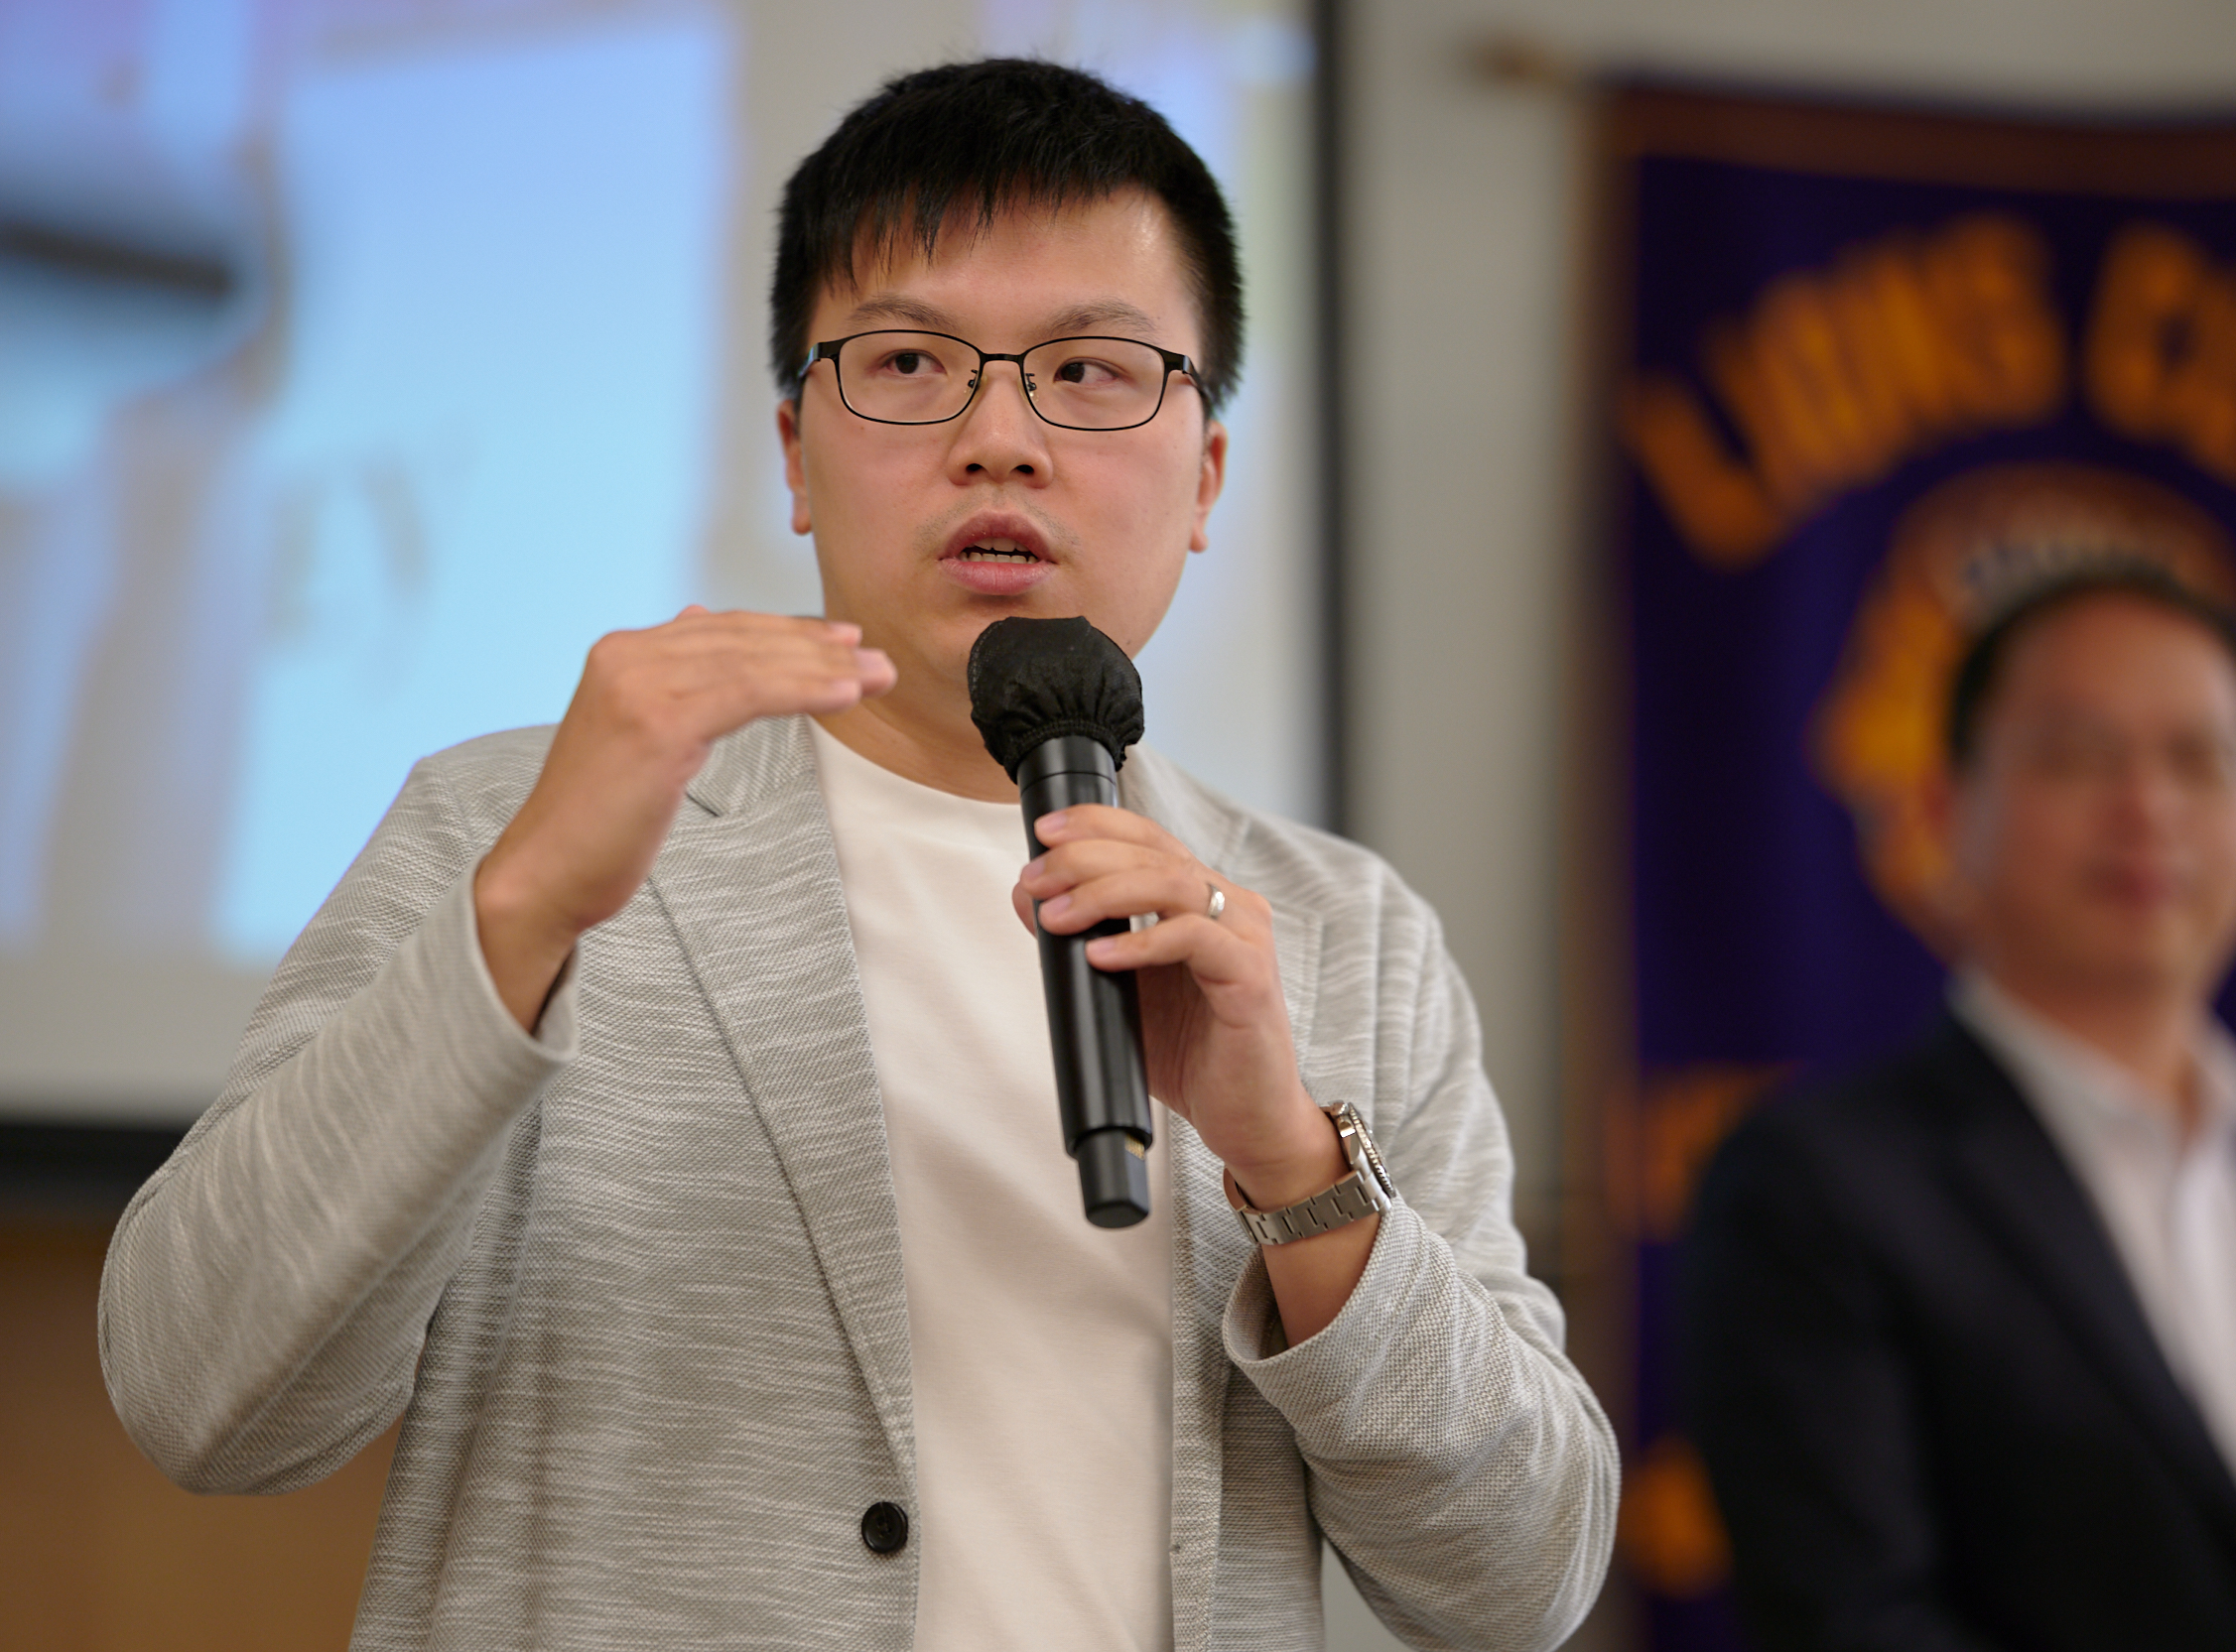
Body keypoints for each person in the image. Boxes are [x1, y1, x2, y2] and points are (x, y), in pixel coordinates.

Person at [96, 59, 1617, 1652]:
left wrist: (1296, 1171)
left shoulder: (1342, 931)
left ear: (1208, 479)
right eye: (908, 362)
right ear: (794, 453)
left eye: (1090, 372)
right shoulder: (513, 828)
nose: (999, 438)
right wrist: (524, 917)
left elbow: (1518, 1581)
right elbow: (205, 1398)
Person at [1680, 562, 2236, 1652]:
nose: (2149, 807)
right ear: (1947, 808)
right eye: (2079, 756)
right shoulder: (1809, 1188)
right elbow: (1854, 1618)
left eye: (2201, 759)